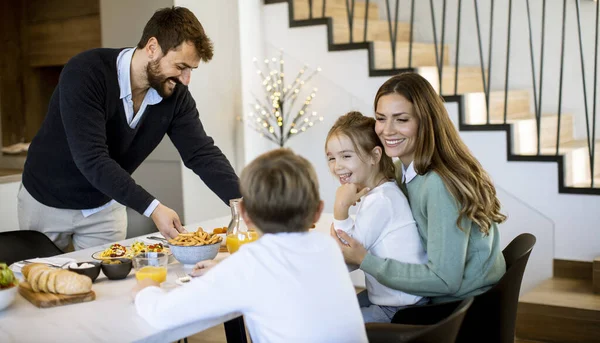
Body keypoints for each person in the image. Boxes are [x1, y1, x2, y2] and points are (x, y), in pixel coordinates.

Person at [18, 7, 240, 251]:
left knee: (111, 285)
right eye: (180, 66)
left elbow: (201, 153)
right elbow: (92, 159)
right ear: (152, 47)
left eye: (191, 70)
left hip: (105, 205)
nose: (186, 79)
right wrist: (153, 208)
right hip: (47, 202)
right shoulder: (85, 72)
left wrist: (243, 205)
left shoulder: (176, 96)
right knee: (39, 284)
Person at [133, 149, 368, 343]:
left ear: (244, 215)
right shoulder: (327, 247)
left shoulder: (249, 266)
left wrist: (147, 287)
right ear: (318, 211)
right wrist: (225, 270)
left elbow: (162, 314)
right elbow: (281, 275)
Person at [332, 72, 507, 304]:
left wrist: (366, 260)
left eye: (401, 119)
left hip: (458, 309)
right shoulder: (400, 172)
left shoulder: (438, 185)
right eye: (381, 118)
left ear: (425, 122)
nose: (387, 130)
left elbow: (445, 280)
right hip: (433, 297)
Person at [325, 111, 427, 323]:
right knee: (332, 311)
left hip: (400, 311)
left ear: (374, 156)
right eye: (331, 158)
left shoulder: (381, 201)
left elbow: (348, 258)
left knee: (326, 328)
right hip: (394, 302)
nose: (337, 166)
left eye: (346, 156)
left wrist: (340, 208)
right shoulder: (381, 194)